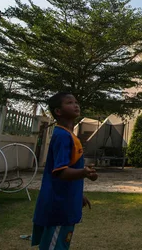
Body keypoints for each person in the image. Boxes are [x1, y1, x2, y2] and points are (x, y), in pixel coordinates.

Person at [32, 92, 98, 250]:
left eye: (76, 101)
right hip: (58, 207)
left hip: (66, 201)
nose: (76, 105)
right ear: (58, 111)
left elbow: (70, 169)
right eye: (69, 102)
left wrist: (77, 194)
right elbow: (60, 172)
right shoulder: (62, 136)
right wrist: (85, 172)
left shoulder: (70, 135)